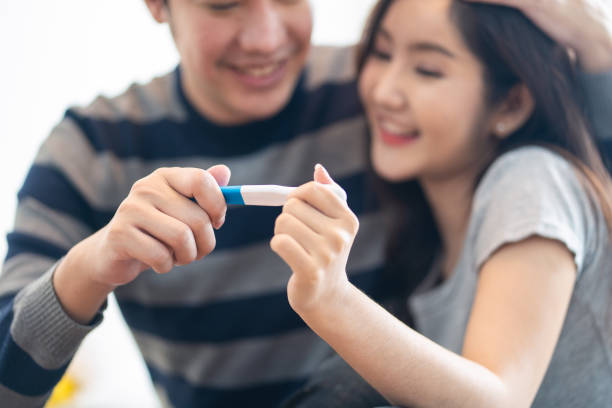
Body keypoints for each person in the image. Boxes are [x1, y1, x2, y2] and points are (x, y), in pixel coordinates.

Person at [0, 0, 610, 407]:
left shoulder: (376, 98)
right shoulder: (90, 150)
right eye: (224, 1)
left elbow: (569, 163)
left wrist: (587, 35)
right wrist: (93, 265)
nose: (266, 38)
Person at [271, 0, 612, 407]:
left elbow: (498, 400)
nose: (384, 92)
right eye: (381, 54)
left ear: (510, 105)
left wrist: (330, 297)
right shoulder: (428, 245)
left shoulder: (532, 178)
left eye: (428, 70)